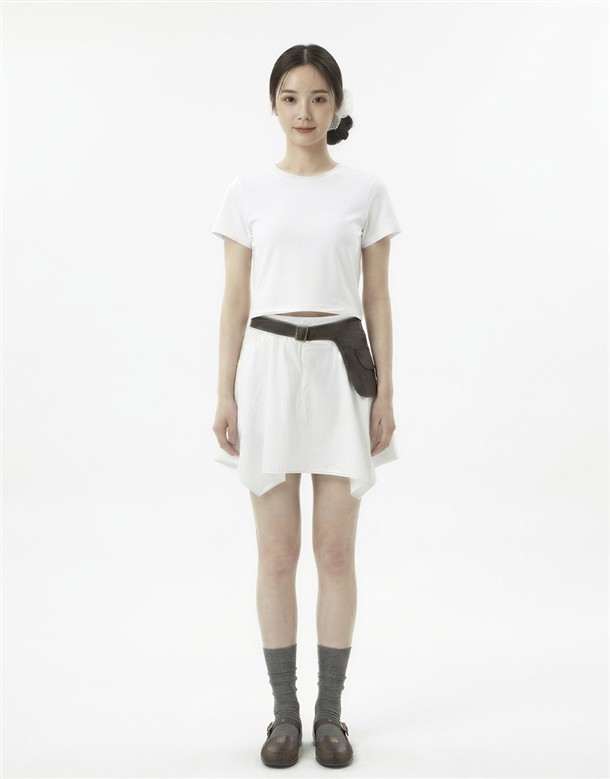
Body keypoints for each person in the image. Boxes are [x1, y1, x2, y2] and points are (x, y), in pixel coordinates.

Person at [211, 43, 401, 768]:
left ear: (336, 106)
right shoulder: (247, 192)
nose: (304, 111)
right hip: (267, 369)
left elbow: (377, 298)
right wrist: (224, 390)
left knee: (335, 550)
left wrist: (387, 390)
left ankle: (330, 716)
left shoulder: (365, 191)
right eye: (291, 97)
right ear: (274, 104)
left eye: (319, 98)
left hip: (340, 369)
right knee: (277, 552)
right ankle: (284, 715)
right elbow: (234, 299)